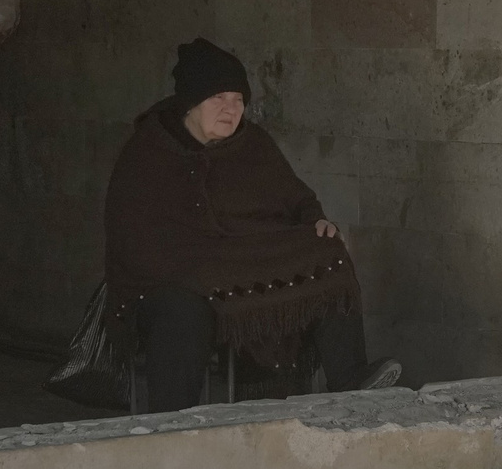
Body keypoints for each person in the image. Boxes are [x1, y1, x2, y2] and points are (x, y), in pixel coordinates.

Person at [105, 38, 398, 412]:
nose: (231, 109)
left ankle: (350, 378)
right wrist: (198, 270)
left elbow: (298, 199)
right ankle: (173, 422)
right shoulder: (147, 152)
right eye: (219, 98)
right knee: (180, 311)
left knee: (327, 249)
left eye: (238, 100)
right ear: (191, 103)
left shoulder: (253, 145)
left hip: (244, 265)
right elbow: (131, 242)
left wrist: (317, 221)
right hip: (173, 278)